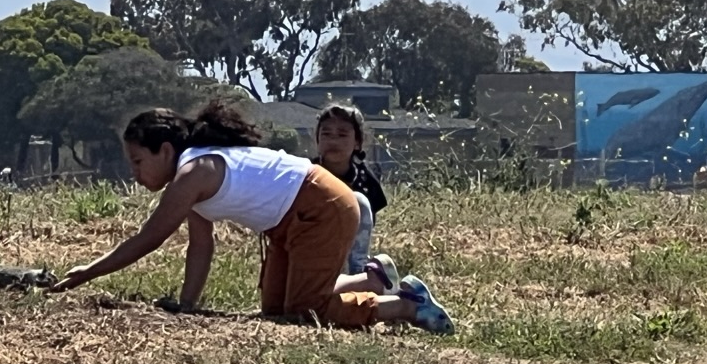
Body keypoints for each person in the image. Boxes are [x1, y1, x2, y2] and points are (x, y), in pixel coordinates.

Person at [49, 98, 454, 332]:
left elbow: (149, 237)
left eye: (138, 161)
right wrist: (187, 305)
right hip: (289, 225)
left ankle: (404, 304)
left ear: (166, 152)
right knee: (276, 313)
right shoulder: (194, 173)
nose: (134, 173)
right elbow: (200, 245)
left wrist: (87, 272)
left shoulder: (193, 173)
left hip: (323, 207)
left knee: (305, 314)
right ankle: (372, 278)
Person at [310, 103, 397, 288]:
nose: (333, 141)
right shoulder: (305, 175)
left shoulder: (366, 180)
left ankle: (360, 273)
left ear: (357, 142)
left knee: (358, 201)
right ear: (317, 140)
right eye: (326, 134)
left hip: (349, 249)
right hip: (312, 248)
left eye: (342, 135)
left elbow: (368, 221)